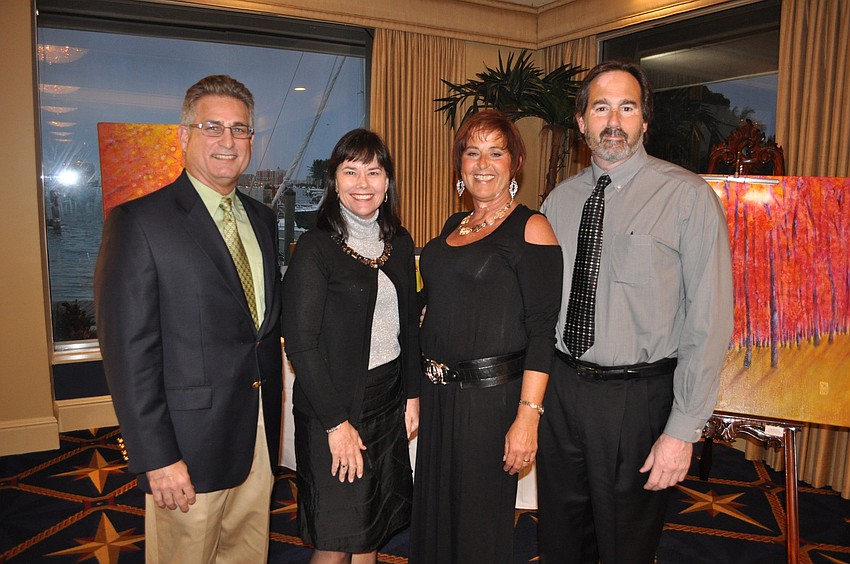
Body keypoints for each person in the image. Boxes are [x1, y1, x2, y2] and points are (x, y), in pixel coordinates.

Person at [537, 60, 734, 563]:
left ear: (645, 121)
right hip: (562, 395)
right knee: (559, 538)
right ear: (581, 122)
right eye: (600, 107)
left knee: (625, 546)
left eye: (627, 107)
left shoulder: (687, 197)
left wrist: (682, 429)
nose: (613, 121)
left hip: (638, 402)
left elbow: (709, 324)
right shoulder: (558, 202)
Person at [95, 75, 282, 563]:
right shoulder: (139, 221)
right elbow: (128, 353)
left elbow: (256, 330)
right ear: (183, 136)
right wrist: (157, 457)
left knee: (247, 554)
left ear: (251, 141)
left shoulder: (262, 220)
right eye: (212, 127)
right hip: (187, 448)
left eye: (239, 130)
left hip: (257, 436)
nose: (227, 141)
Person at [410, 109, 563, 563]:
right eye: (472, 152)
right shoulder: (451, 226)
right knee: (436, 517)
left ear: (515, 162)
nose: (482, 163)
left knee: (476, 529)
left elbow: (542, 331)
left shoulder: (531, 228)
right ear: (459, 164)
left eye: (495, 153)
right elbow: (435, 298)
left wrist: (528, 418)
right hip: (440, 399)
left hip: (491, 404)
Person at [281, 129, 421, 564]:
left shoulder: (399, 243)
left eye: (374, 172)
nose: (363, 183)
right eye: (351, 171)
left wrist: (412, 394)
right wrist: (336, 424)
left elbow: (410, 330)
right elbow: (301, 344)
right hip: (333, 406)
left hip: (386, 401)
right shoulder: (315, 247)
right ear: (334, 181)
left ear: (387, 182)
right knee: (335, 537)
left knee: (371, 530)